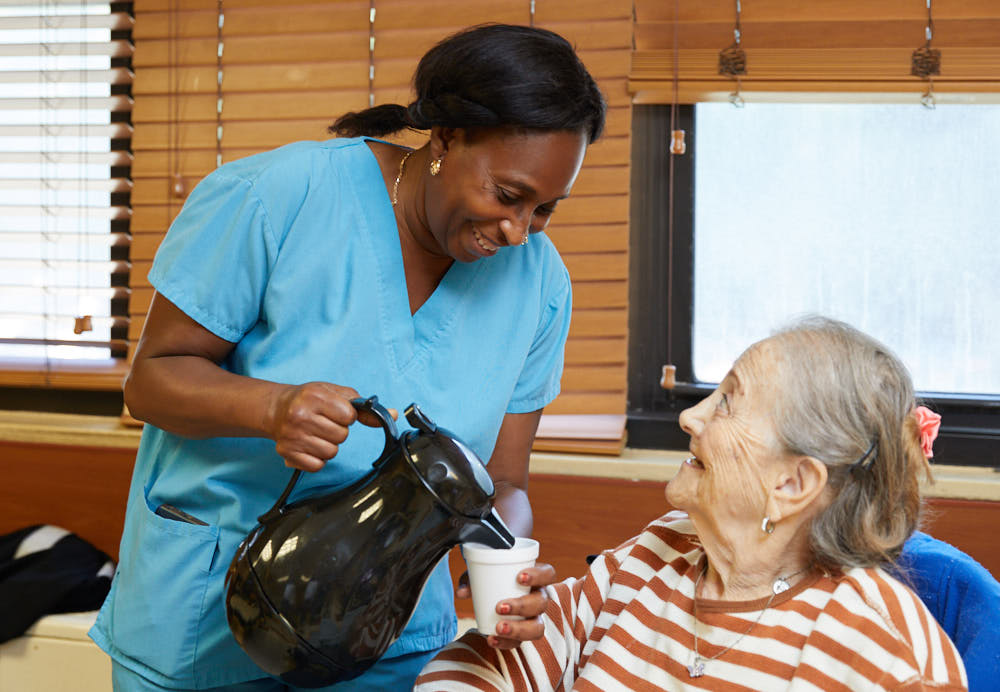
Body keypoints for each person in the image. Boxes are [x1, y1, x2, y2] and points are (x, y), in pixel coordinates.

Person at [89, 23, 606, 692]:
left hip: (382, 635)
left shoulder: (540, 284)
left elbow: (502, 482)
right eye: (508, 196)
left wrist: (505, 566)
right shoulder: (274, 197)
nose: (517, 233)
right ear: (445, 138)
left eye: (544, 211)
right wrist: (273, 407)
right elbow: (151, 382)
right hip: (206, 617)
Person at [415, 316, 969, 691]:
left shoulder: (877, 649)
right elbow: (489, 662)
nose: (689, 417)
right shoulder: (655, 555)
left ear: (793, 483)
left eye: (727, 402)